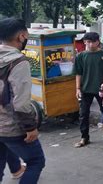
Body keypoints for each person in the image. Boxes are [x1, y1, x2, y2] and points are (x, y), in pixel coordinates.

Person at [0, 18, 45, 183]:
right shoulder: (18, 62)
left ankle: (16, 170)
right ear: (21, 36)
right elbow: (20, 103)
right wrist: (30, 127)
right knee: (36, 161)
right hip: (12, 127)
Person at [74, 32, 103, 148]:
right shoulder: (80, 56)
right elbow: (78, 73)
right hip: (85, 89)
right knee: (83, 114)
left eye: (93, 42)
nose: (90, 44)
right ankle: (84, 137)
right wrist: (77, 88)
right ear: (85, 42)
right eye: (88, 42)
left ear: (98, 41)